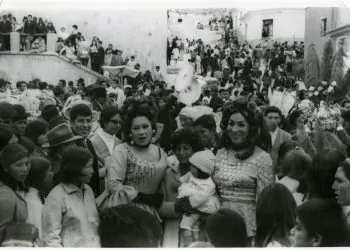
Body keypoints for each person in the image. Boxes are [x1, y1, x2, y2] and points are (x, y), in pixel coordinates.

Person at [213, 99, 274, 242]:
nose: (234, 129)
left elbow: (265, 204)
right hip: (218, 224)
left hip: (248, 230)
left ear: (251, 128)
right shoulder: (220, 153)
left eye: (241, 124)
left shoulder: (263, 158)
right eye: (231, 123)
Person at [102, 97, 167, 220]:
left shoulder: (161, 152)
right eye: (136, 128)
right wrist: (141, 197)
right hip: (124, 210)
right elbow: (113, 184)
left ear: (152, 129)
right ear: (129, 132)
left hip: (153, 212)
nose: (141, 132)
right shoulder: (122, 150)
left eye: (145, 126)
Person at [42, 146, 100, 247]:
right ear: (74, 168)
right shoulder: (56, 196)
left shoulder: (88, 190)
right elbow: (50, 238)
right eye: (88, 167)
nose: (92, 171)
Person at [177, 150, 220, 245]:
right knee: (194, 225)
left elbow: (201, 197)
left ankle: (190, 243)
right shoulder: (191, 174)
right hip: (194, 205)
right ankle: (194, 242)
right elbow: (182, 180)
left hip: (201, 207)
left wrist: (189, 203)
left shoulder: (208, 183)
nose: (190, 168)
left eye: (193, 166)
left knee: (185, 223)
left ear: (202, 169)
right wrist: (180, 185)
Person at [69, 103, 102, 196]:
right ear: (71, 123)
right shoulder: (71, 146)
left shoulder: (87, 142)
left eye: (88, 121)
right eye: (81, 121)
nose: (85, 125)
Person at [0, 144, 30, 242]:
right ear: (6, 168)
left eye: (27, 163)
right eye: (18, 165)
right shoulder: (5, 194)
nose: (25, 169)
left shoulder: (15, 186)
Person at [25, 157, 52, 242]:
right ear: (40, 176)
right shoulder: (32, 202)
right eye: (49, 171)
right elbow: (37, 236)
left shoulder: (39, 196)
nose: (52, 174)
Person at [264, 106, 291, 172]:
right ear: (264, 118)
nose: (273, 121)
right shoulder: (258, 134)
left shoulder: (286, 136)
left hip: (279, 172)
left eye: (276, 118)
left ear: (279, 119)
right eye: (270, 118)